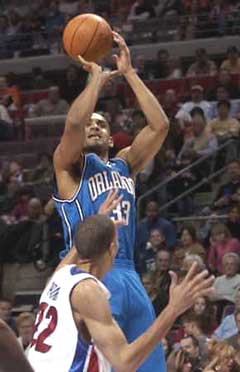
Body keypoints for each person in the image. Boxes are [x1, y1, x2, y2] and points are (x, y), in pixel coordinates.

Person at [53, 31, 170, 372]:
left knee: (150, 366)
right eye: (90, 124)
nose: (92, 127)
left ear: (110, 134)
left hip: (129, 272)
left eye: (101, 124)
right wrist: (96, 80)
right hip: (88, 272)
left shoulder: (125, 164)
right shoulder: (70, 167)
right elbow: (74, 121)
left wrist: (129, 73)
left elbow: (160, 125)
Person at [28, 214, 215, 372]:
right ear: (113, 249)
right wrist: (173, 309)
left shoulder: (59, 276)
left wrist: (97, 226)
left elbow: (84, 243)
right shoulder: (88, 291)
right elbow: (125, 361)